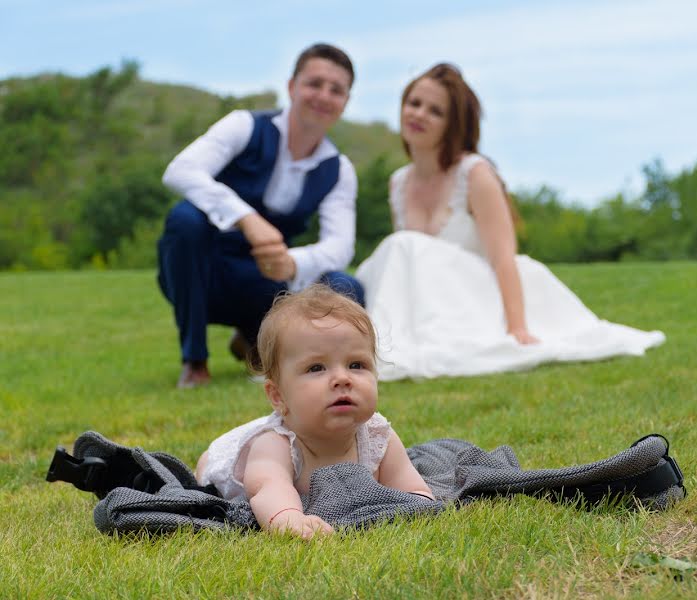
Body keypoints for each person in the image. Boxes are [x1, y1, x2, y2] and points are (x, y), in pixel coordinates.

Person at [355, 63, 665, 380]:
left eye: (435, 111)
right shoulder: (398, 183)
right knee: (399, 248)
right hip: (431, 306)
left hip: (480, 293)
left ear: (453, 125)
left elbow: (504, 257)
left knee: (402, 244)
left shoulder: (475, 174)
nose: (418, 114)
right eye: (414, 103)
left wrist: (517, 327)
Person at [157, 43, 364, 389]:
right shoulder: (245, 126)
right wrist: (245, 217)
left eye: (336, 90)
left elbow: (340, 246)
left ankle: (258, 341)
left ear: (345, 101)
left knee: (347, 287)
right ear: (291, 86)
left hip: (266, 282)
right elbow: (180, 170)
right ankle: (194, 361)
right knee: (185, 219)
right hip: (204, 275)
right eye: (314, 84)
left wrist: (292, 263)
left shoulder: (339, 170)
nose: (323, 96)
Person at [195, 285, 434, 538]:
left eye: (356, 365)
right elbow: (268, 489)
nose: (342, 378)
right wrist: (290, 518)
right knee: (205, 470)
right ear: (278, 396)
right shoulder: (276, 444)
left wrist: (420, 508)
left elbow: (414, 492)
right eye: (317, 368)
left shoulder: (377, 435)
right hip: (220, 460)